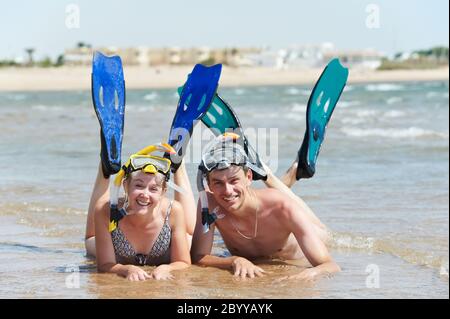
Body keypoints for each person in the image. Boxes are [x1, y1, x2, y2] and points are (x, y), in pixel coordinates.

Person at [191, 134, 340, 281]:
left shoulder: (282, 207)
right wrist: (234, 260)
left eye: (234, 180)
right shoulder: (209, 203)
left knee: (287, 203)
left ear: (249, 177)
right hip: (264, 206)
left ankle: (287, 170)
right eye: (218, 183)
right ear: (208, 185)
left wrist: (308, 275)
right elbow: (198, 257)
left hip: (311, 235)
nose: (227, 190)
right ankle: (289, 174)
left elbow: (330, 265)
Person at [85, 144, 192, 281]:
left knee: (189, 240)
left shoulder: (173, 211)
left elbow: (183, 262)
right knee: (90, 243)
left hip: (167, 241)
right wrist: (126, 269)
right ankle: (104, 169)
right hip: (116, 250)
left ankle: (178, 166)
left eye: (153, 189)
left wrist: (166, 268)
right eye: (138, 185)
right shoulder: (107, 211)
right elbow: (105, 265)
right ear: (125, 186)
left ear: (163, 192)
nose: (145, 194)